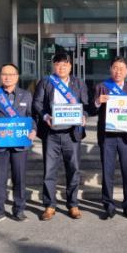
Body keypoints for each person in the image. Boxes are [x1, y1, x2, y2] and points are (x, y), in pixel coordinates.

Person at [32, 52, 89, 221]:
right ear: (54, 66)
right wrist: (45, 116)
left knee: (73, 169)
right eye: (58, 64)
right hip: (51, 133)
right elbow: (37, 103)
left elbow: (85, 104)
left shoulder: (78, 83)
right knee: (49, 170)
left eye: (65, 64)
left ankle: (73, 204)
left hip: (72, 133)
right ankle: (50, 205)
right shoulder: (46, 81)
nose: (61, 67)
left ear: (70, 66)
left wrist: (84, 115)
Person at [0, 63, 36, 225]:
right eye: (4, 74)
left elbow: (32, 117)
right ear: (0, 76)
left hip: (20, 143)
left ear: (17, 77)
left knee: (19, 178)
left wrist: (33, 130)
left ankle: (19, 210)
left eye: (11, 74)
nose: (8, 77)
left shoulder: (26, 95)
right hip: (0, 143)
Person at [91, 56, 127, 219]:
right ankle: (108, 205)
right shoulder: (101, 87)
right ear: (110, 69)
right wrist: (98, 101)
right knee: (107, 172)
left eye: (121, 68)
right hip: (107, 137)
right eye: (115, 68)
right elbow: (91, 110)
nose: (118, 71)